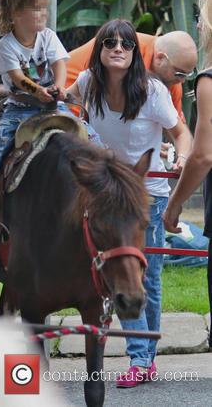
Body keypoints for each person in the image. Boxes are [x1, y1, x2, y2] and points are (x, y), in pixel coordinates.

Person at [67, 19, 193, 387]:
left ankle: (145, 357)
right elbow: (64, 99)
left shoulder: (152, 91)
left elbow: (181, 133)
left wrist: (182, 157)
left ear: (136, 53)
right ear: (100, 51)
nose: (118, 48)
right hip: (107, 196)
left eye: (125, 43)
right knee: (119, 275)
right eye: (109, 43)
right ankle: (141, 358)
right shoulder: (89, 83)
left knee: (148, 279)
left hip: (147, 198)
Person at [0, 0, 101, 215]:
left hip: (52, 105)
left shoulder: (48, 37)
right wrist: (38, 91)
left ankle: (104, 180)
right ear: (15, 14)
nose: (43, 13)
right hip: (21, 108)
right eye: (36, 9)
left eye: (44, 8)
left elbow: (59, 65)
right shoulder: (7, 45)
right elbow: (17, 78)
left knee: (89, 134)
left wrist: (57, 87)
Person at [163, 0, 212, 348]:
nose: (197, 24)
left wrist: (175, 204)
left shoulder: (208, 80)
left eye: (200, 17)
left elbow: (202, 155)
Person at [66, 30, 198, 122]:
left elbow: (177, 125)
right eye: (180, 73)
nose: (182, 80)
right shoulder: (126, 51)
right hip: (68, 101)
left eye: (188, 74)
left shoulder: (171, 78)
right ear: (160, 58)